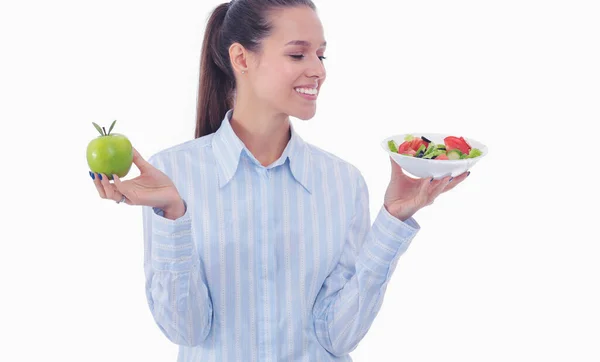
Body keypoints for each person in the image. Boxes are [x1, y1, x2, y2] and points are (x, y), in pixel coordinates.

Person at [89, 0, 470, 360]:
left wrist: (392, 220)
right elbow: (185, 330)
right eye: (297, 54)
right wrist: (173, 214)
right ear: (241, 58)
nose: (318, 69)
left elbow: (338, 336)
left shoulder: (342, 182)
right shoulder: (172, 175)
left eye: (321, 55)